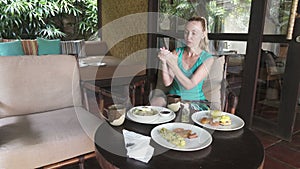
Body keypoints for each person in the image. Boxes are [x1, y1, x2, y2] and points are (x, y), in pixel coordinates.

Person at [150, 16, 214, 107]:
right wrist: (164, 62)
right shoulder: (177, 52)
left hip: (195, 102)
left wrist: (173, 65)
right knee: (156, 102)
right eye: (186, 32)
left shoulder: (208, 59)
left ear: (203, 34)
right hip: (174, 100)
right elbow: (167, 82)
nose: (188, 37)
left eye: (194, 33)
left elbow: (189, 85)